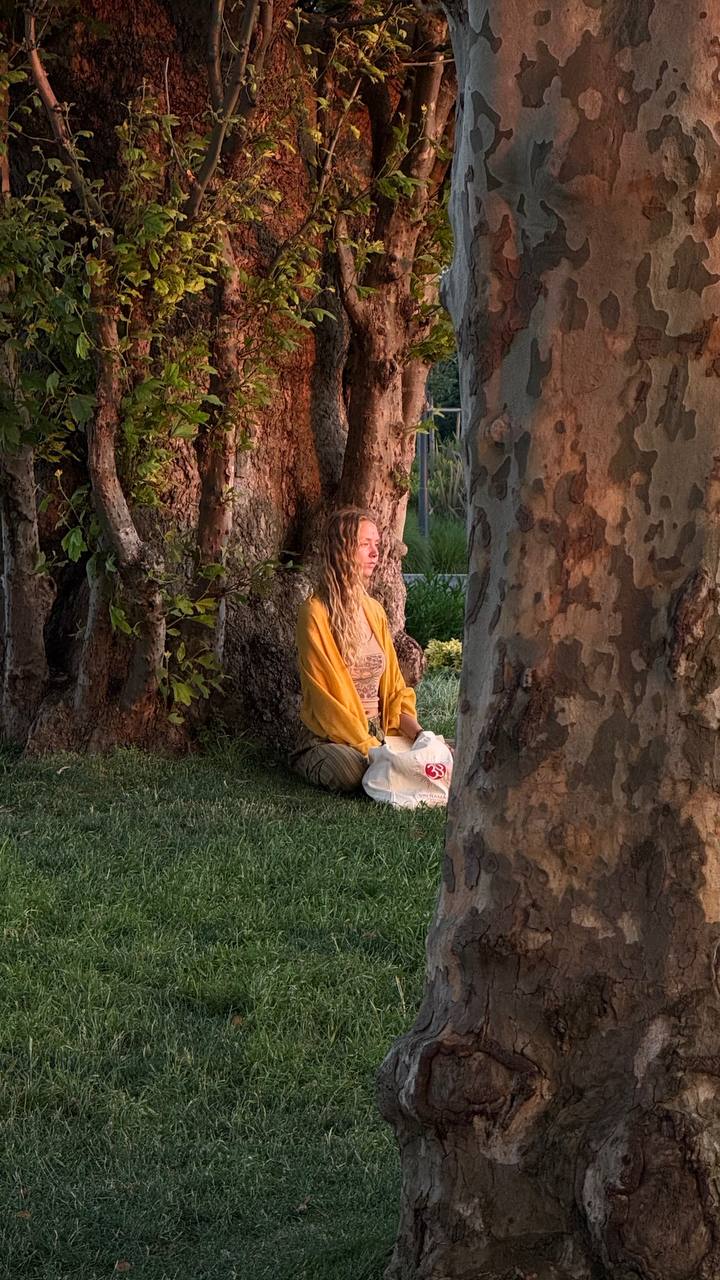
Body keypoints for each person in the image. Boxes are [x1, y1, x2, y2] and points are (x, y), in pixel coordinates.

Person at [291, 507, 424, 794]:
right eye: (365, 545)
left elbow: (395, 694)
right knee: (353, 771)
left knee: (433, 754)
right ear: (341, 550)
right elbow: (327, 704)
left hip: (377, 733)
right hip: (331, 739)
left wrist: (419, 736)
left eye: (376, 545)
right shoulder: (314, 613)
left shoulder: (375, 612)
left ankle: (390, 765)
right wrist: (375, 750)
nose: (375, 553)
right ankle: (384, 767)